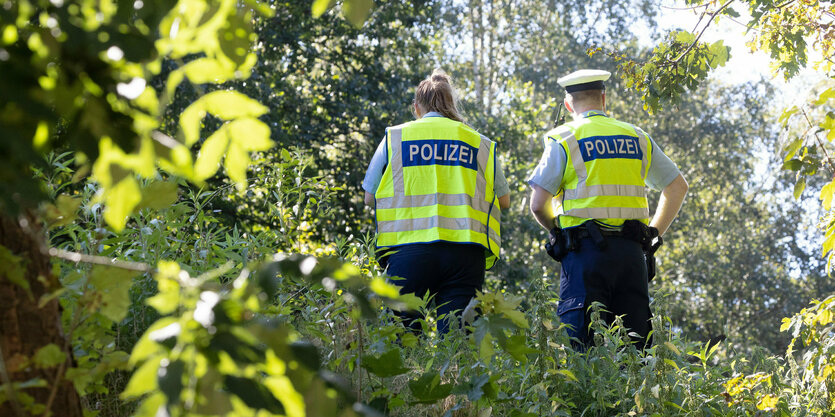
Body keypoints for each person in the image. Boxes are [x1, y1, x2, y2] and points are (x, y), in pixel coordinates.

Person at [527, 69, 688, 349]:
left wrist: (557, 232)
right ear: (604, 99)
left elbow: (538, 205)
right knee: (635, 353)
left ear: (568, 104)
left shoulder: (564, 138)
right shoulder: (636, 136)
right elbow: (677, 187)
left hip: (584, 255)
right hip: (631, 255)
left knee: (583, 349)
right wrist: (652, 235)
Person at [362, 69, 511, 334]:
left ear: (417, 107)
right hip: (465, 252)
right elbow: (505, 200)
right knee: (457, 340)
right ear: (451, 105)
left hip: (407, 250)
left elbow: (369, 196)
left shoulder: (395, 137)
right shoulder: (480, 143)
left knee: (401, 339)